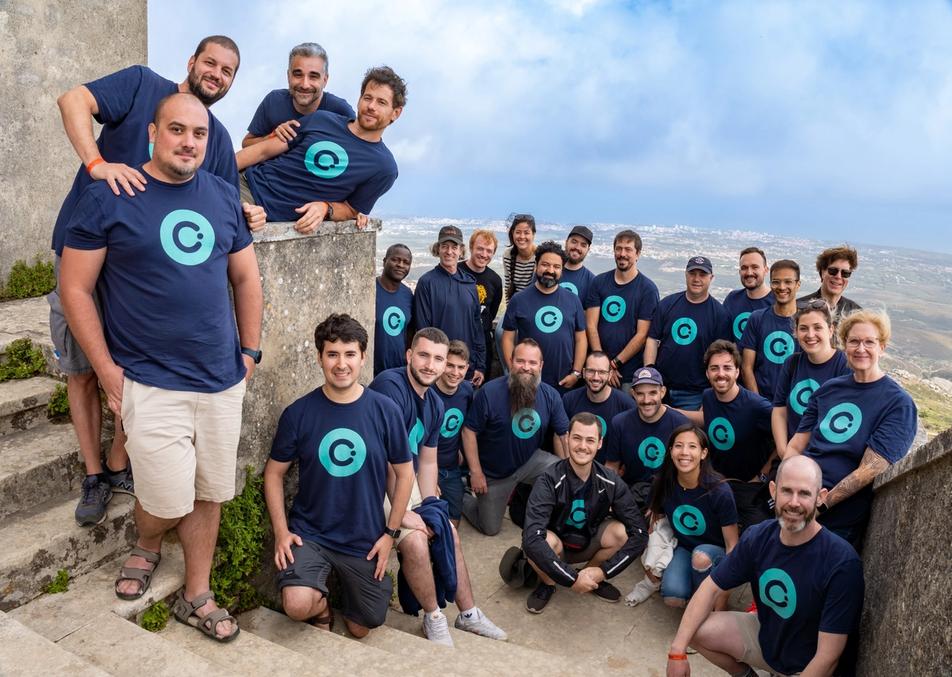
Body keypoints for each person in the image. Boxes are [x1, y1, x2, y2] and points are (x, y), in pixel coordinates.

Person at [60, 93, 263, 641]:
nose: (188, 142)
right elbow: (74, 287)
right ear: (153, 132)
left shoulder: (222, 196)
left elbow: (246, 278)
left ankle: (197, 592)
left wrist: (249, 352)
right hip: (148, 381)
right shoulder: (114, 195)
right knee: (166, 498)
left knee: (209, 491)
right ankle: (147, 541)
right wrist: (106, 371)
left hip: (222, 380)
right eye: (177, 130)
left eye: (198, 134)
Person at [48, 35, 264, 527]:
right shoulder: (142, 85)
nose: (217, 74)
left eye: (228, 70)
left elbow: (219, 203)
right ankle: (93, 473)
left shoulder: (216, 135)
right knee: (84, 370)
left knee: (136, 373)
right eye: (210, 63)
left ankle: (121, 463)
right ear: (191, 61)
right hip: (86, 249)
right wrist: (97, 164)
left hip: (140, 270)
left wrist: (248, 211)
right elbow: (72, 100)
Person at [265, 314, 414, 639]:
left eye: (350, 354)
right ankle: (320, 606)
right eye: (332, 354)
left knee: (363, 627)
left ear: (362, 357)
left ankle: (351, 593)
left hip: (365, 538)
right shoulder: (299, 413)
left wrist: (390, 534)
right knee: (296, 605)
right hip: (311, 534)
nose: (341, 363)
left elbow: (405, 474)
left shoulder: (385, 410)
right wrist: (281, 531)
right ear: (320, 358)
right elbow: (274, 474)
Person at [665, 456, 864, 677]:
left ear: (820, 497)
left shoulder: (842, 562)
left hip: (810, 667)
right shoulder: (758, 537)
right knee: (694, 628)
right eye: (787, 491)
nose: (794, 502)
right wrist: (677, 652)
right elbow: (710, 588)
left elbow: (828, 657)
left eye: (805, 493)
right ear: (773, 491)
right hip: (768, 640)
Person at [368, 329, 506, 645]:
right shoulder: (391, 388)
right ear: (409, 356)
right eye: (424, 355)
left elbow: (427, 462)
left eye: (438, 359)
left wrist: (429, 507)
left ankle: (468, 613)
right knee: (416, 541)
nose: (431, 365)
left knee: (447, 529)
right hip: (372, 482)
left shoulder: (434, 405)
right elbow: (387, 461)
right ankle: (434, 617)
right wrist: (404, 515)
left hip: (404, 481)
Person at [785, 310, 917, 548]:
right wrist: (786, 487)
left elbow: (869, 469)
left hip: (837, 519)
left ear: (882, 347)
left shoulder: (898, 404)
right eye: (854, 341)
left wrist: (820, 505)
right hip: (797, 501)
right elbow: (796, 444)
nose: (860, 348)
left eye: (869, 342)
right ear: (844, 345)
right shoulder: (829, 389)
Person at [236, 66, 406, 231]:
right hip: (244, 183)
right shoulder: (321, 119)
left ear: (396, 113)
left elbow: (351, 209)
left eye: (381, 102)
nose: (371, 106)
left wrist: (325, 208)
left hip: (263, 212)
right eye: (368, 98)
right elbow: (262, 151)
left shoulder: (384, 168)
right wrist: (213, 169)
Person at [522, 413, 648, 613]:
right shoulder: (548, 478)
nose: (582, 446)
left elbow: (640, 534)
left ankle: (589, 575)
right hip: (556, 548)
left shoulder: (611, 481)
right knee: (538, 542)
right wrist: (571, 579)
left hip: (588, 542)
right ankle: (548, 583)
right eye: (577, 438)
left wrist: (603, 572)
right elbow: (531, 538)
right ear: (567, 438)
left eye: (590, 440)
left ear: (599, 443)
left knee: (621, 533)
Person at [461, 339, 570, 536]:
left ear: (541, 366)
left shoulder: (551, 395)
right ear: (510, 361)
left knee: (563, 475)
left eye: (532, 362)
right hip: (495, 472)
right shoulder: (489, 392)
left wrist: (572, 472)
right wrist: (475, 472)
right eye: (520, 361)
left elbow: (563, 434)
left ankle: (534, 508)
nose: (526, 367)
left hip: (530, 461)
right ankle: (460, 495)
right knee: (490, 528)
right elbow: (468, 431)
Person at [681, 341, 775, 531]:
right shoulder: (708, 397)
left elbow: (785, 437)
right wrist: (668, 411)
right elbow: (706, 420)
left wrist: (763, 473)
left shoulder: (757, 406)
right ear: (707, 373)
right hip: (717, 482)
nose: (721, 374)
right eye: (714, 368)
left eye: (727, 368)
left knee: (756, 534)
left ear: (737, 372)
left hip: (749, 486)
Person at [648, 425, 739, 610]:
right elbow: (654, 518)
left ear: (703, 453)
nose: (684, 452)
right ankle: (696, 592)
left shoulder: (719, 490)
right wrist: (650, 559)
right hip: (685, 547)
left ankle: (707, 599)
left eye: (692, 446)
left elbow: (732, 545)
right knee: (673, 597)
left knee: (701, 558)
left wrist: (725, 593)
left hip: (715, 552)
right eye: (678, 446)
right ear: (671, 451)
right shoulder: (663, 482)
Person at [644, 256, 731, 410]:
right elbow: (652, 339)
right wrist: (650, 374)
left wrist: (711, 395)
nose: (697, 279)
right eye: (692, 273)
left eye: (702, 275)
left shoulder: (720, 314)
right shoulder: (667, 304)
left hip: (695, 393)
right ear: (685, 274)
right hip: (662, 387)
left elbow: (722, 357)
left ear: (711, 278)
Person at [500, 241, 587, 392]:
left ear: (561, 271)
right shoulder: (519, 299)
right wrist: (513, 370)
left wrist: (576, 373)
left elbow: (581, 338)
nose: (550, 270)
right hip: (527, 381)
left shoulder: (573, 300)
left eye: (556, 267)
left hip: (563, 382)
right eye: (545, 264)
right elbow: (507, 338)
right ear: (536, 266)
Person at [771, 301, 850, 453]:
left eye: (817, 327)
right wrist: (783, 451)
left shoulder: (844, 367)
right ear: (796, 332)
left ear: (831, 330)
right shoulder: (792, 363)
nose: (810, 334)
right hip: (792, 454)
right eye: (803, 329)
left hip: (826, 458)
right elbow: (780, 409)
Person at [584, 230, 660, 389]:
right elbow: (591, 325)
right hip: (597, 371)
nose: (622, 254)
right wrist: (602, 364)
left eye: (628, 249)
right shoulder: (599, 282)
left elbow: (642, 334)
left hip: (628, 374)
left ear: (637, 254)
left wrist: (614, 364)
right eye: (618, 249)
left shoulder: (648, 289)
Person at [242, 42, 354, 148]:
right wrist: (272, 136)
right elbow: (246, 143)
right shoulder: (274, 101)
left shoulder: (341, 111)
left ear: (325, 80)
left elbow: (363, 146)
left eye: (313, 76)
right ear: (288, 76)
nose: (305, 85)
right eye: (298, 75)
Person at [604, 367, 689, 504]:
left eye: (652, 393)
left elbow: (688, 471)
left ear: (662, 392)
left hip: (669, 494)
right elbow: (612, 467)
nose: (646, 400)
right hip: (631, 494)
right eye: (640, 394)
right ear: (633, 394)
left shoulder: (680, 424)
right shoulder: (619, 423)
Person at [414, 226, 486, 384]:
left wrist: (480, 365)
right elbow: (424, 329)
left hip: (464, 368)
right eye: (444, 246)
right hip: (438, 368)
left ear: (461, 251)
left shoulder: (469, 284)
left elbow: (476, 327)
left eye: (454, 247)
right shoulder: (427, 283)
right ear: (437, 249)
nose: (449, 252)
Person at [739, 259, 801, 400]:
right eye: (776, 281)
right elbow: (746, 367)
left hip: (794, 404)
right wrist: (759, 403)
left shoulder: (805, 323)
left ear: (798, 285)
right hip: (761, 403)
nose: (781, 287)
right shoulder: (757, 318)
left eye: (788, 282)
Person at [561, 352, 637, 459]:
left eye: (602, 372)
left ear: (610, 374)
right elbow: (560, 435)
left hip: (609, 471)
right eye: (591, 371)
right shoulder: (569, 400)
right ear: (583, 372)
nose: (596, 377)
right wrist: (566, 466)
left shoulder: (627, 405)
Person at [433, 341, 475, 525]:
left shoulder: (467, 390)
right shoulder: (428, 393)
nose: (455, 372)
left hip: (451, 468)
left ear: (467, 368)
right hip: (426, 469)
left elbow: (467, 427)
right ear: (441, 364)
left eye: (460, 367)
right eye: (450, 365)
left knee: (452, 524)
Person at [459, 229, 503, 369]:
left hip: (482, 344)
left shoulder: (495, 280)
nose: (484, 254)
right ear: (471, 247)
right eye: (480, 249)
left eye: (489, 251)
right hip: (458, 338)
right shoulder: (457, 271)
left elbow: (492, 313)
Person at [374, 243, 413, 375]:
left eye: (406, 262)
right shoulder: (370, 290)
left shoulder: (408, 295)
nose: (400, 265)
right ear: (385, 261)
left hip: (398, 371)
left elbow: (409, 332)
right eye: (395, 260)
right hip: (371, 370)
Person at [797, 245, 862, 326]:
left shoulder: (856, 314)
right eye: (833, 271)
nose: (838, 276)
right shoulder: (799, 308)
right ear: (822, 272)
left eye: (845, 273)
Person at [722, 247, 774, 342]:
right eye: (744, 268)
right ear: (739, 272)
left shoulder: (776, 303)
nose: (749, 272)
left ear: (766, 270)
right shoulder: (732, 299)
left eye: (755, 267)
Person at [502, 214, 537, 302]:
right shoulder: (508, 255)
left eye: (526, 232)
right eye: (518, 232)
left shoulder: (539, 256)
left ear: (533, 234)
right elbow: (508, 288)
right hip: (515, 306)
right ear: (513, 233)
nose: (522, 236)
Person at [559, 225, 596, 301]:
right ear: (566, 242)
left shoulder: (591, 281)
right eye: (574, 242)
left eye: (583, 245)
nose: (577, 247)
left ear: (588, 249)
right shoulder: (550, 270)